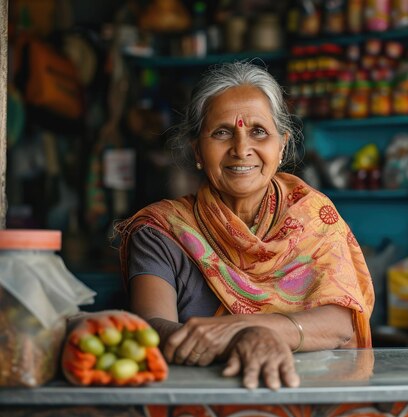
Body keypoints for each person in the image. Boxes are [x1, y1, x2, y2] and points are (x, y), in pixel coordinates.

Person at [116, 61, 375, 391]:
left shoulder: (313, 216)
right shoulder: (160, 231)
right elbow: (150, 328)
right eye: (222, 132)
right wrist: (245, 338)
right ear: (197, 149)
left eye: (258, 132)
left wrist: (249, 329)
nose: (241, 149)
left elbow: (340, 323)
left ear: (281, 146)